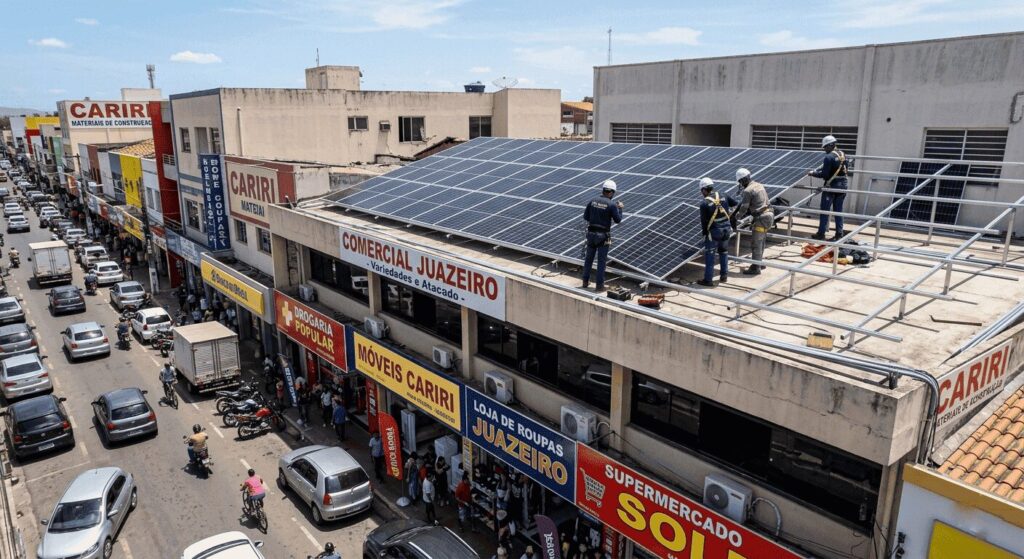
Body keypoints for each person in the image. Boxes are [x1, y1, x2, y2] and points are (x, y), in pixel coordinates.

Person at [580, 179, 623, 291]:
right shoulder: (612, 204)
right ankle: (599, 286)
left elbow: (586, 217)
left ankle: (585, 281)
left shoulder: (592, 201)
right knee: (601, 261)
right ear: (612, 192)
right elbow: (617, 220)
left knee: (588, 259)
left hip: (591, 235)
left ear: (603, 190)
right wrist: (620, 209)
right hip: (603, 236)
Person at [808, 135, 851, 241]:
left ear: (831, 145)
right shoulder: (842, 154)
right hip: (843, 185)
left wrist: (813, 173)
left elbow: (825, 175)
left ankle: (821, 234)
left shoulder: (828, 157)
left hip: (831, 186)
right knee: (838, 211)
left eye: (825, 147)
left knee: (825, 211)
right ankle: (839, 234)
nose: (824, 149)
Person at [733, 168, 774, 275]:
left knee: (756, 243)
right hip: (769, 215)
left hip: (761, 218)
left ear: (742, 180)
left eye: (740, 182)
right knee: (762, 241)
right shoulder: (759, 185)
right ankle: (758, 262)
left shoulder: (747, 190)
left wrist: (736, 217)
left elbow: (744, 207)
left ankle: (756, 267)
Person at [697, 177, 736, 287]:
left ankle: (708, 280)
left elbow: (704, 222)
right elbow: (735, 204)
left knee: (710, 255)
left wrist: (704, 234)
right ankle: (724, 276)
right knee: (723, 251)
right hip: (726, 230)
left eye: (701, 191)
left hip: (715, 232)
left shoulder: (704, 203)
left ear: (704, 190)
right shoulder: (724, 195)